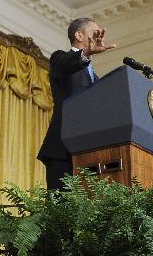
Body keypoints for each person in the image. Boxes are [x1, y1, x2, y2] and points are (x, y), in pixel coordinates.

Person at [37, 17, 117, 190]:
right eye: (94, 32)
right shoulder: (60, 58)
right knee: (63, 210)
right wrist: (86, 53)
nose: (98, 37)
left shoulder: (94, 77)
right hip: (62, 149)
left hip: (89, 151)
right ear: (79, 35)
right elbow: (67, 65)